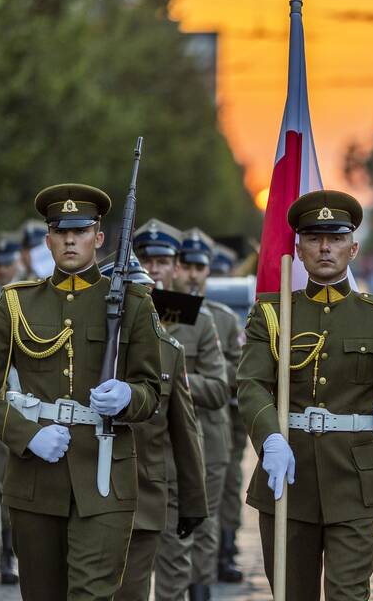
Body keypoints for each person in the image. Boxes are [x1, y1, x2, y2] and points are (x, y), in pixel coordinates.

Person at [0, 183, 162, 600]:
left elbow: (151, 391)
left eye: (82, 231)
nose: (71, 240)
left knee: (91, 594)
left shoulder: (133, 303)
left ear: (98, 238)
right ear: (48, 239)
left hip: (105, 475)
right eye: (61, 231)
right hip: (36, 476)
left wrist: (128, 397)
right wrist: (25, 433)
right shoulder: (17, 304)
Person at [237, 189, 373, 601]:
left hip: (356, 482)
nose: (324, 247)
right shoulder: (272, 312)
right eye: (314, 238)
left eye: (335, 238)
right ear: (298, 248)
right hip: (288, 474)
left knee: (348, 594)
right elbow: (251, 385)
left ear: (353, 247)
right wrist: (270, 438)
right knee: (290, 592)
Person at [135, 218, 228, 601]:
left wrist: (171, 383)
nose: (153, 268)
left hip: (178, 452)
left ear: (175, 266)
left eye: (162, 261)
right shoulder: (119, 315)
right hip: (133, 451)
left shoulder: (197, 319)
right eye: (145, 259)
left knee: (177, 555)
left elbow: (220, 386)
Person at [112, 253, 208, 601]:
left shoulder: (168, 351)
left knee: (132, 593)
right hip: (84, 496)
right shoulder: (81, 348)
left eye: (145, 293)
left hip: (144, 493)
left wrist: (193, 503)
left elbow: (185, 433)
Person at [174, 227, 248, 586]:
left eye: (198, 267)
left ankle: (207, 577)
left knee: (209, 511)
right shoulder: (161, 312)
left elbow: (238, 370)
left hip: (211, 427)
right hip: (168, 431)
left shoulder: (221, 318)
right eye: (185, 265)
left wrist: (184, 379)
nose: (191, 273)